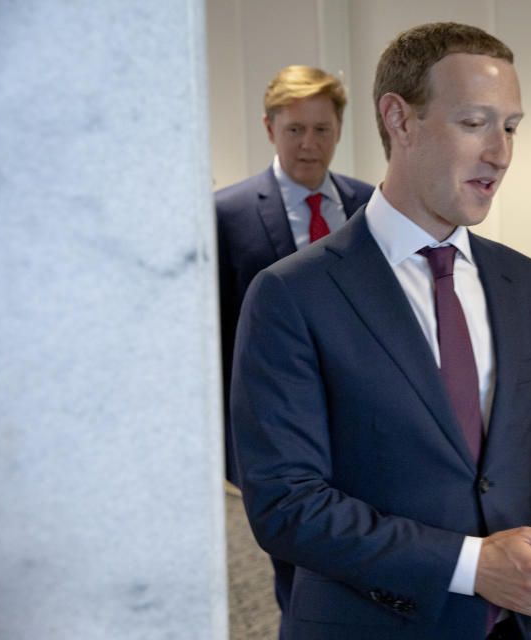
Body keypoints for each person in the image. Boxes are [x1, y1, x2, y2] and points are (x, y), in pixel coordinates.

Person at [230, 21, 531, 640]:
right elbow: (287, 506)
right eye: (475, 123)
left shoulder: (525, 283)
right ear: (400, 120)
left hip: (521, 629)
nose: (501, 152)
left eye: (510, 126)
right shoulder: (291, 294)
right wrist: (473, 565)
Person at [215, 65, 373, 620]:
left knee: (367, 551)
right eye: (295, 130)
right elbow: (214, 336)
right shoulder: (227, 213)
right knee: (296, 560)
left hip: (363, 416)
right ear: (269, 130)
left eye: (323, 130)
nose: (310, 144)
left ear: (339, 130)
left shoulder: (370, 204)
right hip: (276, 422)